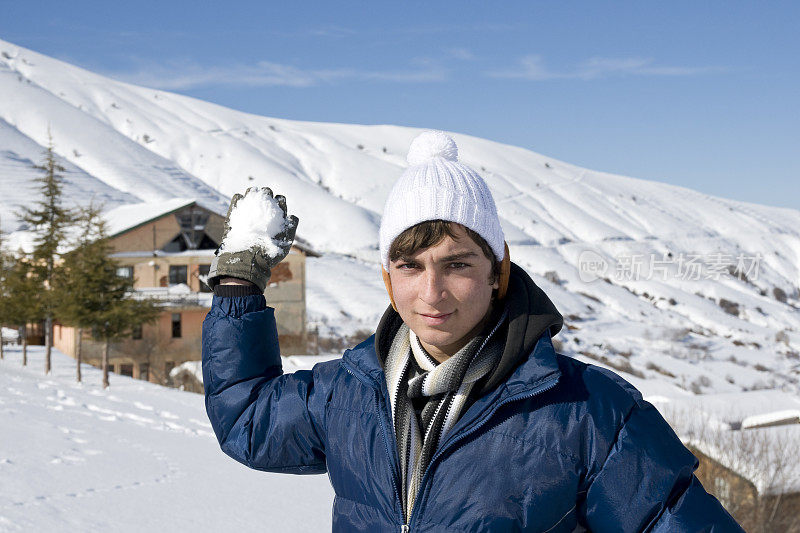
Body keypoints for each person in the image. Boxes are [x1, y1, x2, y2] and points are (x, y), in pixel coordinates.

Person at [203, 131, 743, 532]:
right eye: (410, 267)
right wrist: (236, 282)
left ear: (498, 272)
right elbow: (248, 419)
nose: (431, 293)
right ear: (387, 280)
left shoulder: (589, 414)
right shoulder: (347, 393)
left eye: (458, 265)